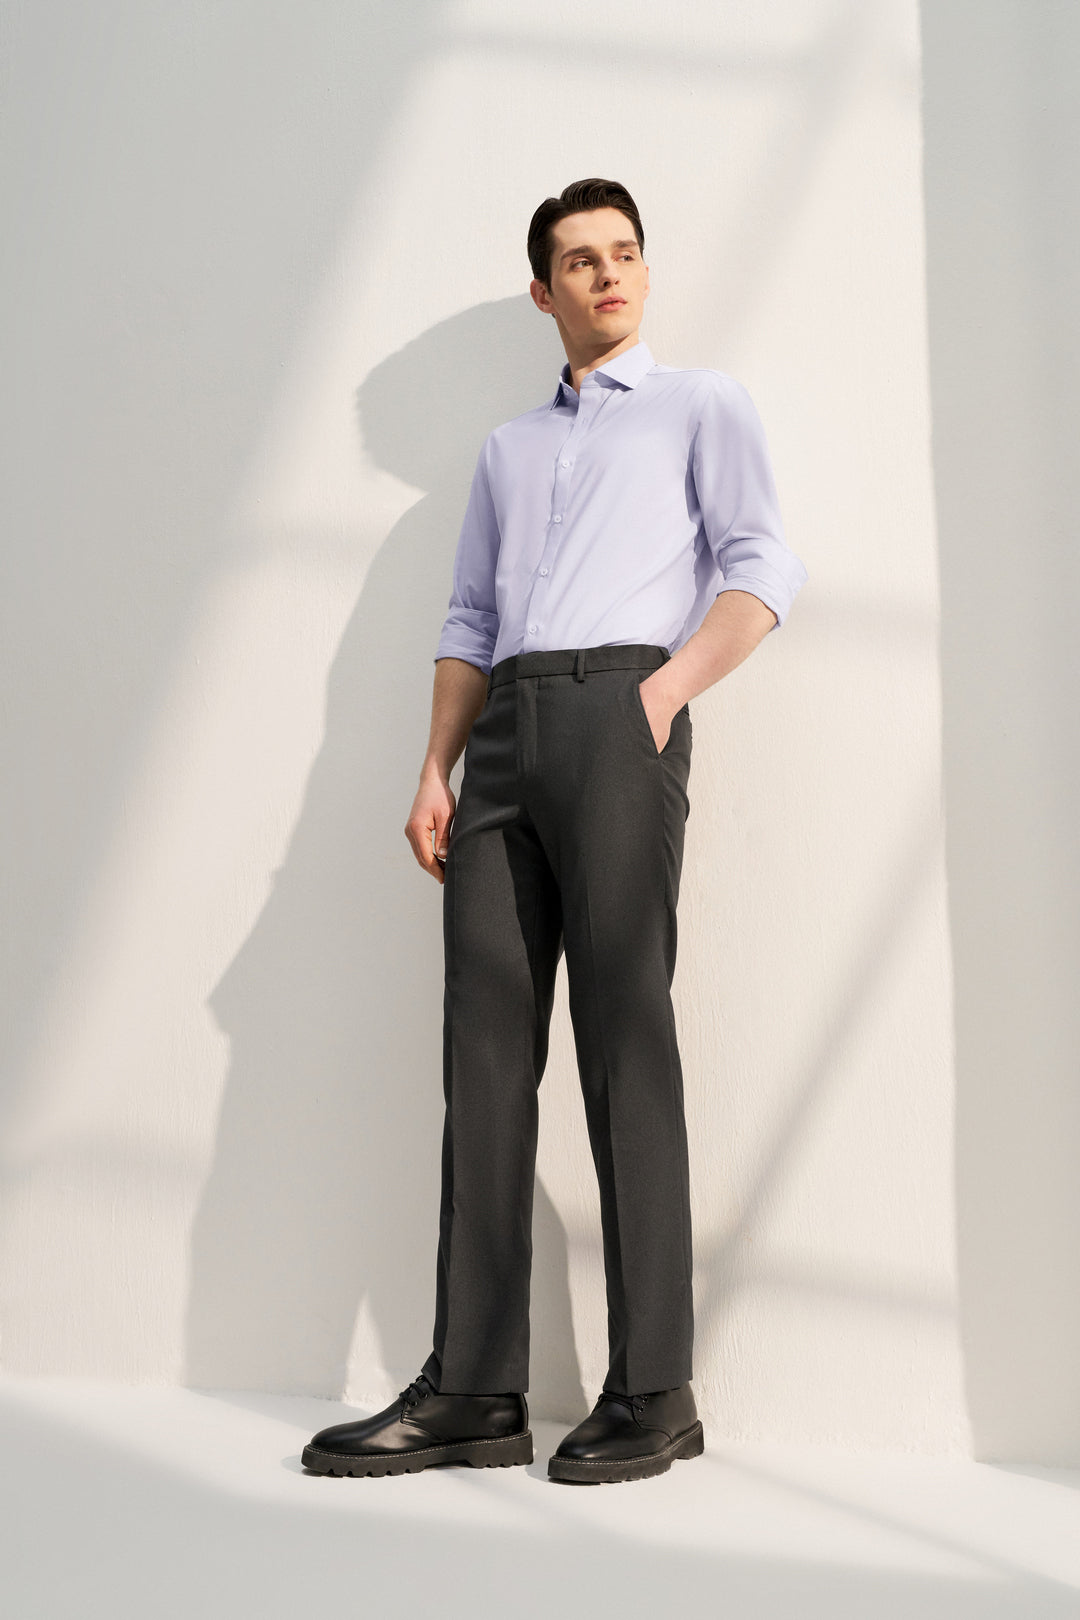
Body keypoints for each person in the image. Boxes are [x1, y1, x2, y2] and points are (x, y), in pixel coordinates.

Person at [302, 177, 808, 1485]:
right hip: (504, 741)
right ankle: (474, 1389)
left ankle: (655, 1389)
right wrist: (436, 766)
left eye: (624, 253)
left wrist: (663, 694)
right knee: (482, 1052)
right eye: (580, 261)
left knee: (624, 1037)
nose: (608, 274)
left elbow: (762, 565)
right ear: (544, 291)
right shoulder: (508, 451)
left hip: (620, 713)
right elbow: (470, 616)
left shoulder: (701, 405)